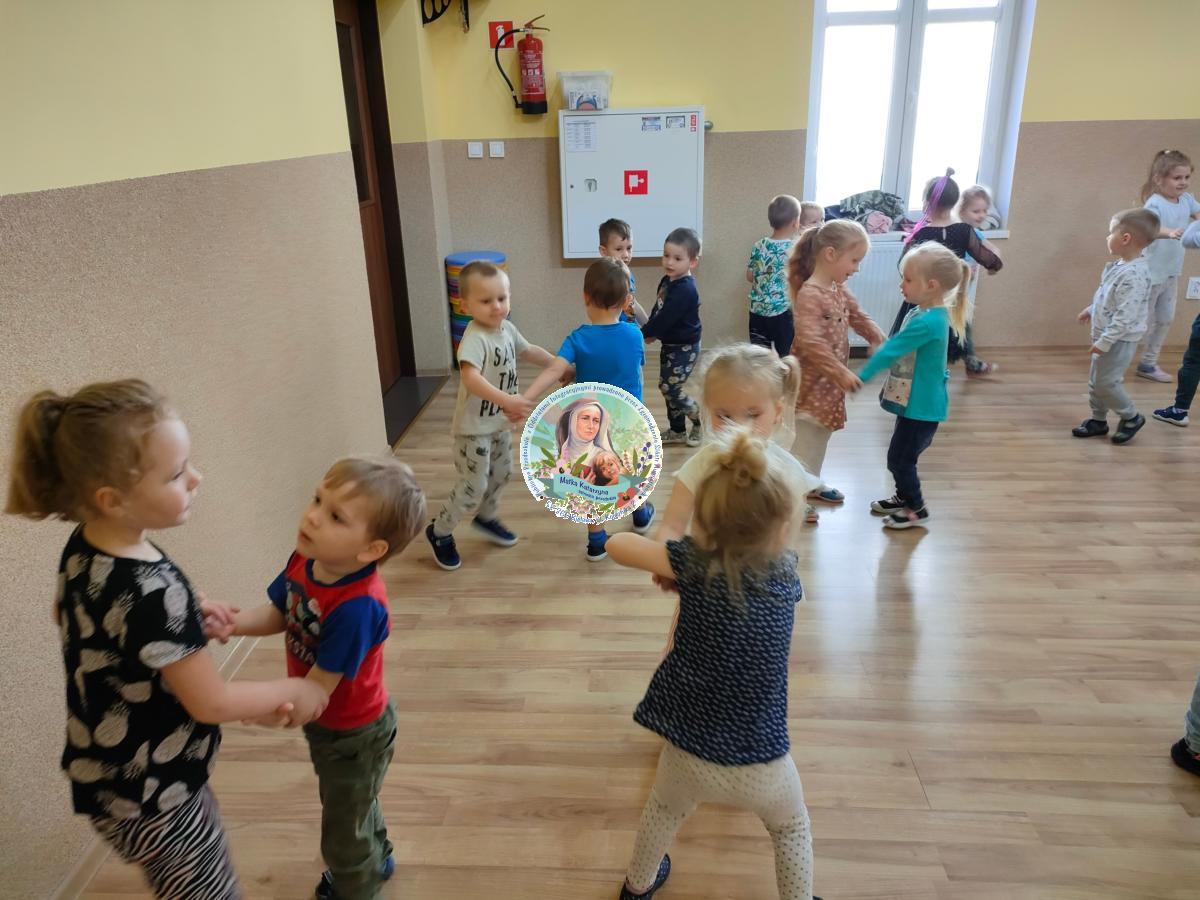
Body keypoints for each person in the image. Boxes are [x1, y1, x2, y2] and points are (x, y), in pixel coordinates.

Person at [4, 379, 330, 900]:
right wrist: (296, 691)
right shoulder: (151, 593)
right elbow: (210, 701)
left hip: (109, 778)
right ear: (113, 499)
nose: (196, 478)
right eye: (177, 474)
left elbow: (80, 614)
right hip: (154, 796)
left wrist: (187, 609)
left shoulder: (86, 546)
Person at [606, 428, 823, 900]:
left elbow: (616, 547)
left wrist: (671, 563)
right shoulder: (787, 576)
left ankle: (637, 886)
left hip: (688, 751)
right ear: (782, 530)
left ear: (702, 525)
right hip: (763, 759)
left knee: (663, 811)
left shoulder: (693, 563)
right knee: (790, 829)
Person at [205, 455, 425, 900]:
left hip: (354, 733)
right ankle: (378, 856)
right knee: (354, 803)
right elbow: (282, 612)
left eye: (335, 516)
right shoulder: (305, 560)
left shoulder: (358, 607)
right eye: (317, 499)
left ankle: (356, 886)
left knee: (342, 834)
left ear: (371, 550)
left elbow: (316, 689)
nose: (312, 516)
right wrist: (233, 623)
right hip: (330, 726)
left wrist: (264, 703)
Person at [425, 260, 556, 571]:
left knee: (501, 474)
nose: (497, 306)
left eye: (502, 298)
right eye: (486, 301)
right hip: (473, 430)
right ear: (465, 305)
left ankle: (486, 518)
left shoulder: (507, 329)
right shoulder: (474, 338)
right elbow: (470, 378)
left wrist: (558, 365)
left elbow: (528, 350)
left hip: (498, 424)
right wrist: (507, 400)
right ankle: (439, 531)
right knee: (473, 487)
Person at [523, 257, 655, 559]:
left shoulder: (578, 338)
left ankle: (596, 540)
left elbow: (555, 370)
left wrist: (526, 398)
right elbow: (634, 368)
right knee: (632, 467)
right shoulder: (634, 335)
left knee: (592, 477)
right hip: (630, 420)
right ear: (627, 301)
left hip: (591, 425)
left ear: (585, 297)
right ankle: (640, 512)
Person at [857, 243, 972, 529]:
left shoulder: (929, 321)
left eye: (908, 279)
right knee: (901, 456)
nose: (901, 285)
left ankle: (916, 508)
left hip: (922, 406)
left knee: (900, 459)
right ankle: (903, 497)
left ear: (932, 286)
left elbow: (892, 349)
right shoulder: (925, 312)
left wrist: (862, 375)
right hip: (916, 402)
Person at [788, 219, 886, 523]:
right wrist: (841, 374)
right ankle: (792, 498)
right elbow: (810, 342)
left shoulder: (837, 288)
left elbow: (858, 315)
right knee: (805, 442)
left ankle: (811, 483)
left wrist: (877, 337)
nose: (856, 268)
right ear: (830, 254)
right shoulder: (810, 294)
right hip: (810, 384)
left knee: (821, 436)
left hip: (829, 384)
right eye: (854, 260)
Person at [891, 170, 1002, 372]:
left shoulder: (922, 233)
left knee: (919, 340)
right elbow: (989, 259)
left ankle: (915, 376)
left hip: (925, 299)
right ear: (954, 202)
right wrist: (994, 266)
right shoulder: (964, 231)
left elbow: (902, 265)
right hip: (950, 299)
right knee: (948, 336)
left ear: (928, 202)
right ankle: (941, 373)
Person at [1071, 208, 1158, 444]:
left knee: (1106, 382)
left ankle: (1131, 417)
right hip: (1106, 335)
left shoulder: (1134, 275)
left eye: (1111, 233)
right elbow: (1108, 297)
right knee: (1096, 381)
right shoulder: (1120, 266)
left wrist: (1106, 341)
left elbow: (1126, 315)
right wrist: (1092, 309)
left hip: (1119, 339)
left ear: (1125, 238)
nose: (1107, 237)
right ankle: (1098, 420)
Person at [1136, 149, 1200, 382]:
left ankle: (1148, 364)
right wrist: (1170, 232)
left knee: (1164, 319)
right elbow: (1149, 228)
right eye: (1177, 178)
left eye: (1186, 177)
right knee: (1138, 323)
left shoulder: (1187, 199)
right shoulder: (1155, 204)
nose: (1183, 182)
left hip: (1171, 273)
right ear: (1159, 179)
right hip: (1149, 274)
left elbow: (1198, 214)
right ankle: (1112, 360)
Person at [642, 227, 704, 447]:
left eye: (677, 258)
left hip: (685, 347)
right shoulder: (667, 280)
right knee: (668, 387)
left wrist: (646, 333)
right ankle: (677, 430)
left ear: (692, 262)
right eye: (666, 255)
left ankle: (698, 418)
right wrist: (650, 329)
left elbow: (666, 318)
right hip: (670, 344)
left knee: (670, 388)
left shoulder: (685, 290)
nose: (669, 262)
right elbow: (658, 309)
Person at [746, 194, 802, 357]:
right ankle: (782, 374)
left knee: (759, 357)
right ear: (795, 222)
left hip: (757, 311)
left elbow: (749, 276)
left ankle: (762, 374)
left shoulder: (759, 245)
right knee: (784, 355)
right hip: (782, 311)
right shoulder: (795, 248)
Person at [955, 184, 1003, 374]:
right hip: (951, 289)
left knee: (962, 323)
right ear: (962, 211)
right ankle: (971, 362)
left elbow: (993, 249)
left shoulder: (976, 233)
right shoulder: (957, 231)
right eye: (976, 211)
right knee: (960, 324)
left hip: (962, 291)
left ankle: (971, 362)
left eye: (984, 210)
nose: (982, 215)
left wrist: (992, 265)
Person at [600, 217, 649, 326]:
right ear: (603, 251)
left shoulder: (627, 274)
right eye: (619, 249)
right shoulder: (603, 279)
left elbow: (633, 303)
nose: (626, 255)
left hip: (630, 329)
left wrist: (648, 326)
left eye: (629, 248)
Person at [554, 398, 617, 475]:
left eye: (596, 421)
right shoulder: (560, 456)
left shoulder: (604, 457)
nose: (591, 426)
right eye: (585, 418)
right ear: (573, 421)